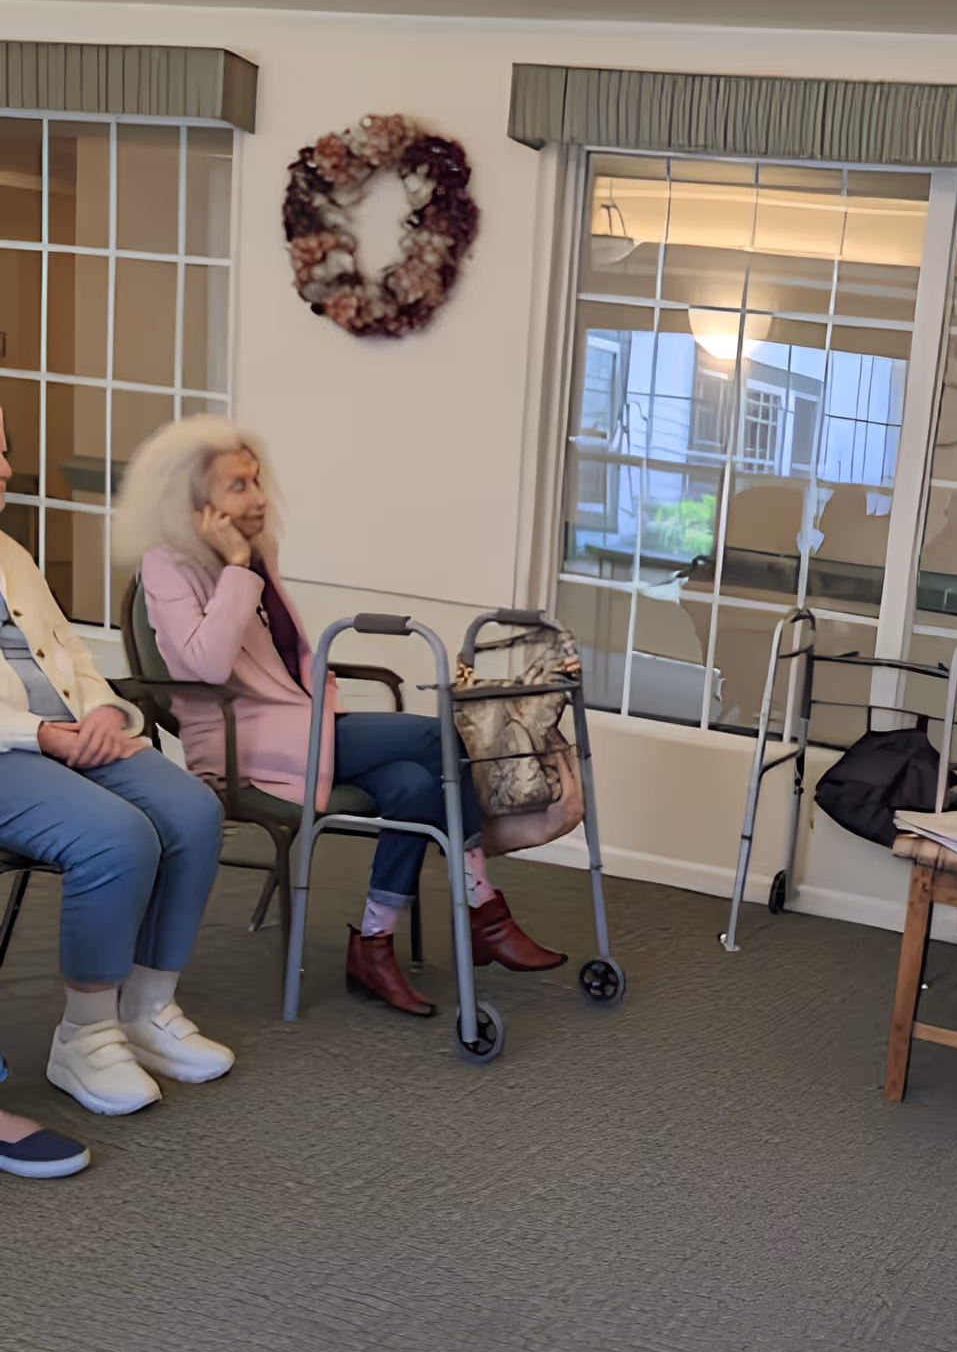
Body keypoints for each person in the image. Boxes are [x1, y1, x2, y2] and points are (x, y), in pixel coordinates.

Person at [125, 416, 564, 1018]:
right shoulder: (169, 564)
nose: (257, 497)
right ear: (194, 500)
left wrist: (248, 564)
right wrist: (234, 568)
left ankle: (374, 944)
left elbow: (286, 656)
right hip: (239, 744)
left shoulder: (262, 550)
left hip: (303, 727)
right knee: (442, 735)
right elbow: (203, 668)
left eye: (257, 481)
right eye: (237, 486)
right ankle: (483, 909)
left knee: (413, 784)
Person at [0, 406, 231, 1153]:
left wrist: (106, 714)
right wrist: (40, 735)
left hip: (66, 738)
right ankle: (86, 1035)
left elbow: (70, 653)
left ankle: (149, 1010)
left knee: (192, 809)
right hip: (11, 752)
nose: (7, 470)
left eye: (6, 450)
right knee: (116, 837)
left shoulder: (10, 553)